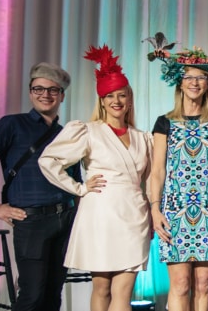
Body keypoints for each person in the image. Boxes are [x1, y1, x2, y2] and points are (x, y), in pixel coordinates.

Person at [39, 45, 153, 311]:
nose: (116, 101)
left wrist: (151, 207)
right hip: (100, 213)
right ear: (101, 101)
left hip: (134, 214)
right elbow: (49, 160)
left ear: (130, 99)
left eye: (122, 95)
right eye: (110, 96)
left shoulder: (143, 138)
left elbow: (149, 178)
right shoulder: (88, 131)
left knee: (124, 290)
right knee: (101, 288)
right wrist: (78, 188)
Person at [0, 62, 78, 311]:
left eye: (52, 90)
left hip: (66, 218)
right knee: (32, 293)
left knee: (53, 292)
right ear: (30, 92)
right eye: (38, 89)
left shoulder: (66, 133)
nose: (45, 95)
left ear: (62, 95)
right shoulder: (12, 125)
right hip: (32, 220)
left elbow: (75, 181)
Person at [145, 36, 208, 311]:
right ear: (180, 83)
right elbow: (157, 170)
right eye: (189, 77)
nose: (194, 83)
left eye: (201, 78)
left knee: (204, 284)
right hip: (175, 208)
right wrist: (155, 209)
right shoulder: (165, 122)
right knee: (181, 283)